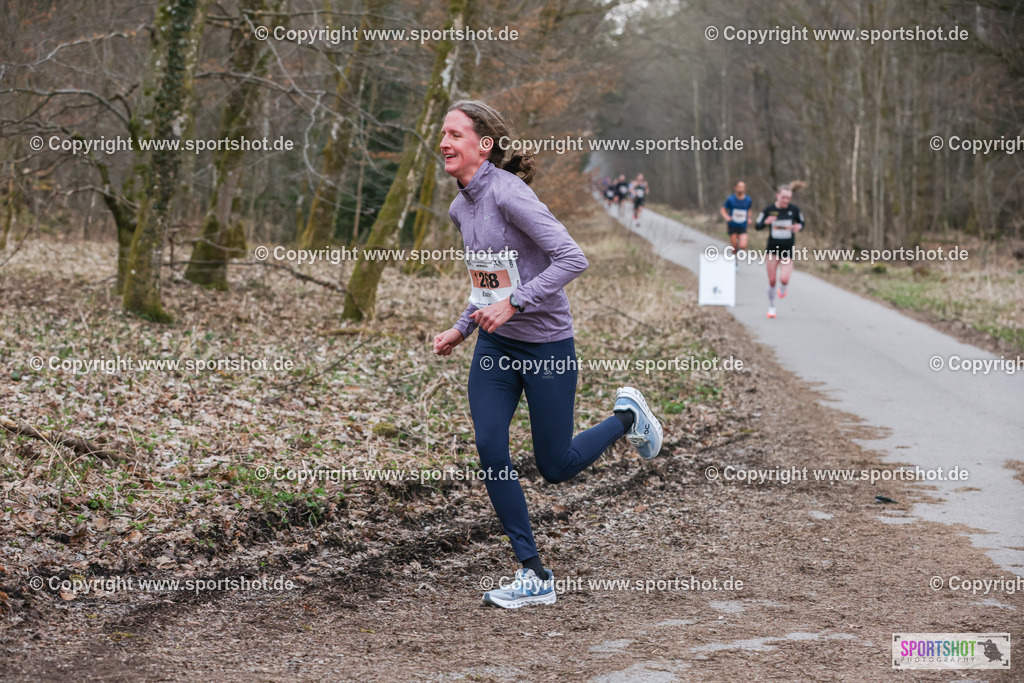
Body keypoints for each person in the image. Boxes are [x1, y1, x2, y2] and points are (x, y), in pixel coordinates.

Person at [433, 100, 663, 609]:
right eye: (442, 134)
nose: (444, 143)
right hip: (496, 346)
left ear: (483, 145)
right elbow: (485, 285)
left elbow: (572, 258)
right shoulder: (460, 206)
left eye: (454, 134)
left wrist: (516, 303)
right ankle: (533, 573)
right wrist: (461, 328)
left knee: (555, 465)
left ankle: (628, 416)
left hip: (546, 346)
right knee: (491, 446)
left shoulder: (511, 195)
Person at [754, 183, 805, 318]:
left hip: (787, 250)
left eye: (789, 198)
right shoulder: (768, 210)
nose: (786, 201)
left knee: (784, 279)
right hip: (772, 249)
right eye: (783, 198)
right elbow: (757, 225)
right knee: (772, 281)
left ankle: (783, 287)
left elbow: (802, 223)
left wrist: (799, 226)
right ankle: (772, 307)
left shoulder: (794, 210)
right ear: (777, 196)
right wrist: (766, 222)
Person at [720, 180, 752, 257]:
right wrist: (726, 217)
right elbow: (723, 209)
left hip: (743, 225)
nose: (741, 189)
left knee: (743, 246)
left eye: (743, 187)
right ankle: (734, 260)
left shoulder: (748, 200)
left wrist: (749, 218)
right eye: (740, 187)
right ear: (736, 188)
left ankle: (737, 255)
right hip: (732, 225)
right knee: (734, 246)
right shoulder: (731, 199)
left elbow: (749, 210)